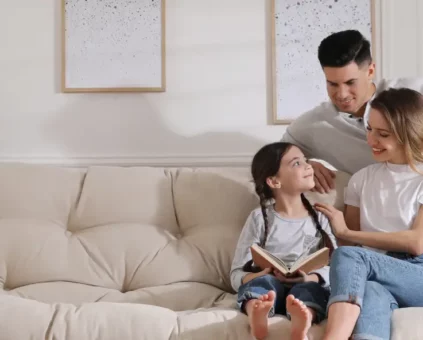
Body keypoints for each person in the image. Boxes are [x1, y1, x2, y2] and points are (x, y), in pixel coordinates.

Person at [313, 88, 423, 340]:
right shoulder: (361, 180)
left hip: (418, 272)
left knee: (352, 257)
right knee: (370, 292)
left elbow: (417, 243)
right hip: (375, 274)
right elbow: (351, 243)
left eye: (382, 134)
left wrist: (346, 233)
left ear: (409, 135)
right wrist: (335, 231)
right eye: (369, 129)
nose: (371, 140)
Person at [281, 29, 423, 194]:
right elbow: (272, 157)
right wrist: (303, 164)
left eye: (350, 82)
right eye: (332, 84)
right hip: (381, 208)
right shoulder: (315, 125)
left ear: (370, 71)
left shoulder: (415, 90)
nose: (342, 94)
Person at [230, 142, 337, 340]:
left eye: (306, 160)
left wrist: (308, 278)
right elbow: (236, 273)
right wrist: (260, 274)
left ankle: (303, 319)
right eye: (297, 163)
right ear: (274, 181)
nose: (308, 166)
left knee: (310, 290)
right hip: (269, 284)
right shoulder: (258, 218)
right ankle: (257, 312)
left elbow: (337, 268)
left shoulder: (320, 217)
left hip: (306, 282)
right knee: (262, 283)